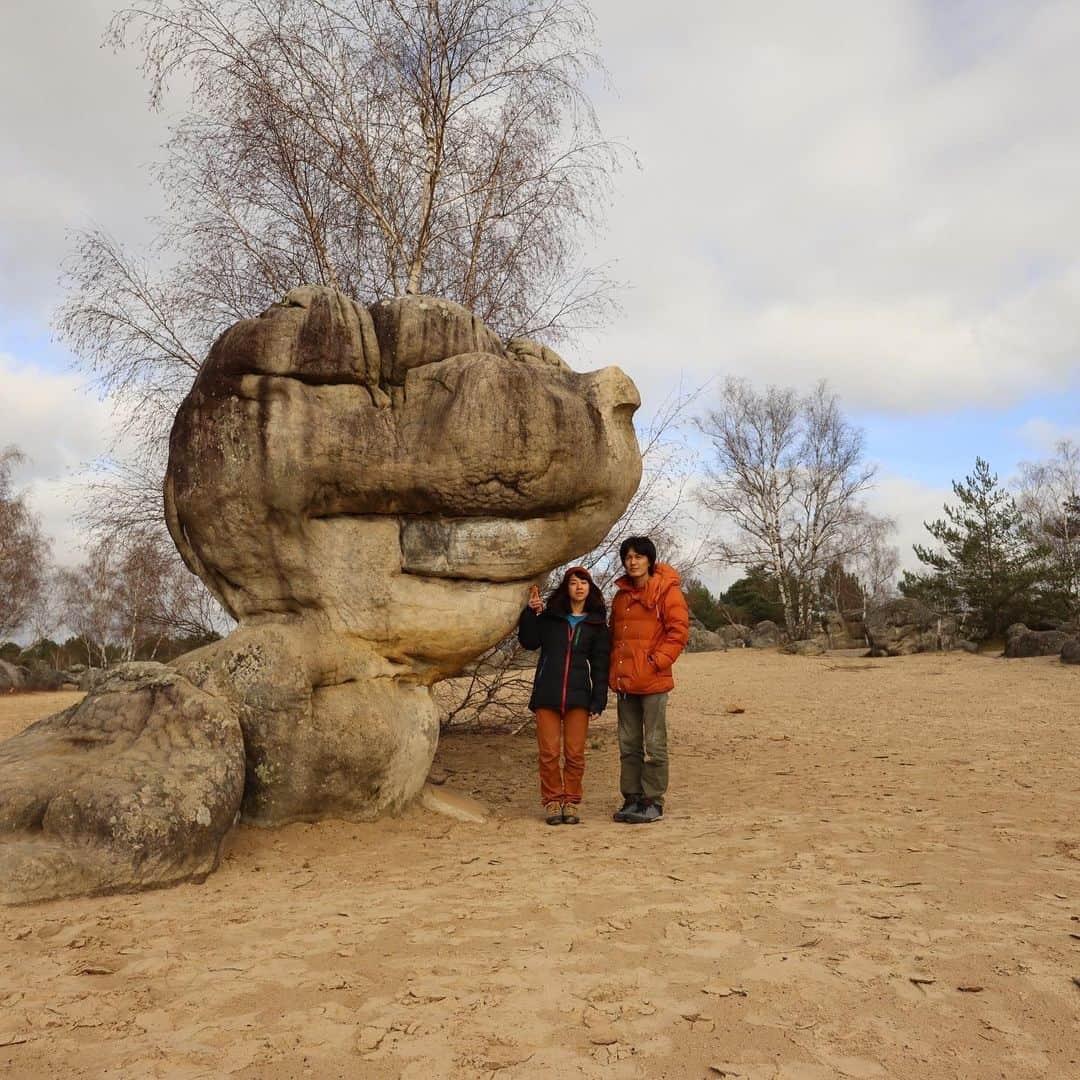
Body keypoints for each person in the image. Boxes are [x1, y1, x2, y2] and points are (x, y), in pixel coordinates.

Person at [518, 566, 610, 825]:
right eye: (573, 583)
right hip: (547, 694)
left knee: (575, 754)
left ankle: (570, 801)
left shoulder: (596, 624)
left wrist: (599, 699)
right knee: (548, 753)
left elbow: (601, 665)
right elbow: (528, 641)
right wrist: (531, 613)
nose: (579, 587)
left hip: (579, 698)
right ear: (566, 588)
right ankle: (552, 801)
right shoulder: (550, 618)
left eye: (583, 583)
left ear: (590, 588)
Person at [608, 536, 689, 824]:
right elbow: (614, 637)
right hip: (625, 683)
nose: (632, 562)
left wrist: (656, 663)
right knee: (628, 744)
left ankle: (653, 800)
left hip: (653, 681)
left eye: (638, 556)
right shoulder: (620, 597)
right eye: (628, 557)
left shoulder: (667, 591)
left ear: (649, 560)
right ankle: (631, 798)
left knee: (654, 744)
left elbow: (678, 632)